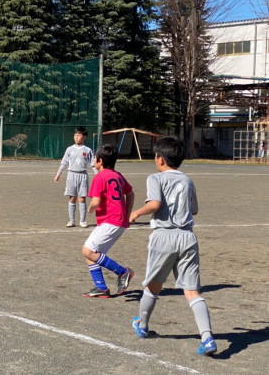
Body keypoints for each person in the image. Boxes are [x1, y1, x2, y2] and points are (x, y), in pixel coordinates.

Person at [129, 136, 216, 356]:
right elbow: (194, 210)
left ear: (160, 159)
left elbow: (155, 203)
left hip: (164, 236)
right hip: (187, 237)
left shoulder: (155, 178)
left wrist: (137, 212)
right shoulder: (188, 181)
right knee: (192, 291)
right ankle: (207, 337)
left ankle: (143, 324)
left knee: (153, 286)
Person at [81, 144, 135, 298]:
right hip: (117, 221)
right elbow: (130, 194)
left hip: (110, 221)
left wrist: (90, 208)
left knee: (88, 251)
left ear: (100, 161)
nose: (94, 162)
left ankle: (123, 272)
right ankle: (102, 288)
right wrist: (127, 214)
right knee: (91, 253)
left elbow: (96, 201)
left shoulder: (100, 177)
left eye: (95, 160)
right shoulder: (118, 175)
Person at [54, 126, 96, 227]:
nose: (76, 137)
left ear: (84, 137)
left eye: (79, 135)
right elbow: (64, 162)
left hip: (83, 176)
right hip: (71, 175)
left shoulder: (88, 150)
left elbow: (93, 164)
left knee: (82, 198)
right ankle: (71, 220)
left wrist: (98, 175)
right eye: (75, 135)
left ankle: (82, 220)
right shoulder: (69, 149)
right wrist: (58, 174)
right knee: (72, 198)